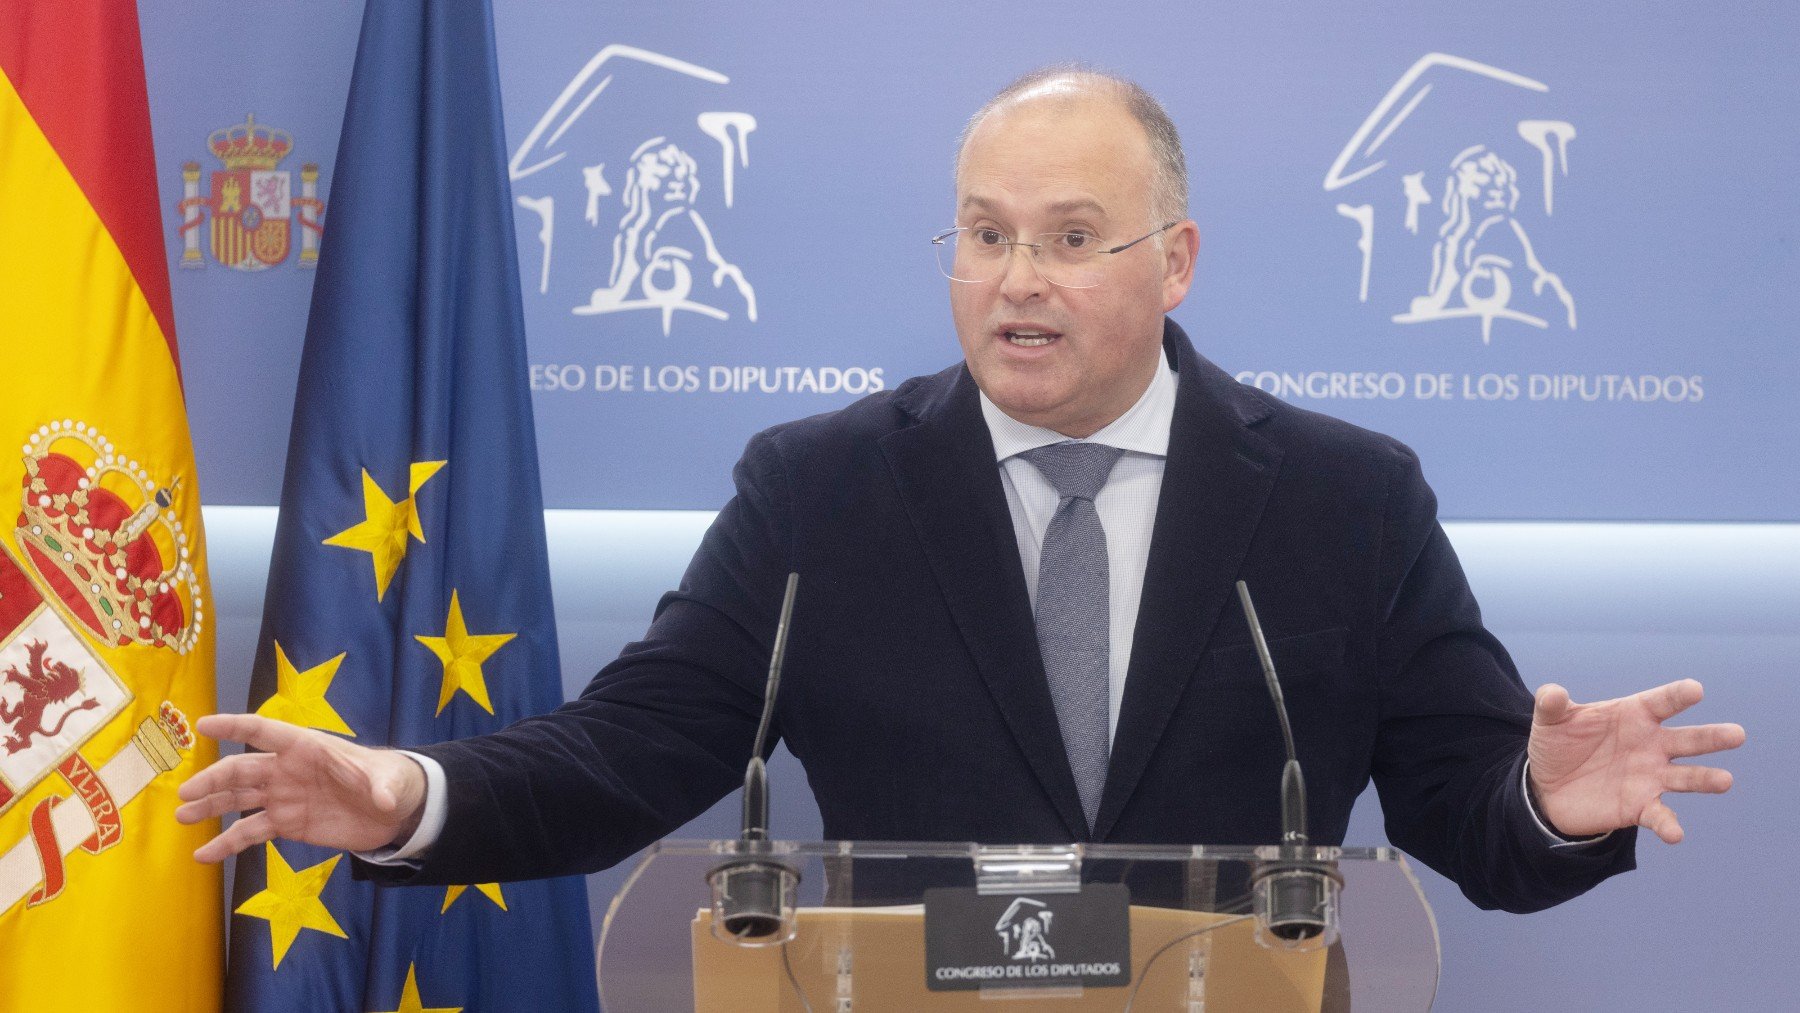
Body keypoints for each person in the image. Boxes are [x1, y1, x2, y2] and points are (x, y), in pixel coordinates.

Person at [178, 68, 1744, 914]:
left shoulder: (1347, 499)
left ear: (1174, 259)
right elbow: (632, 752)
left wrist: (1546, 799)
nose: (1017, 281)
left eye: (1072, 237)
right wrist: (410, 794)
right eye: (985, 234)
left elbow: (1469, 815)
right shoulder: (823, 491)